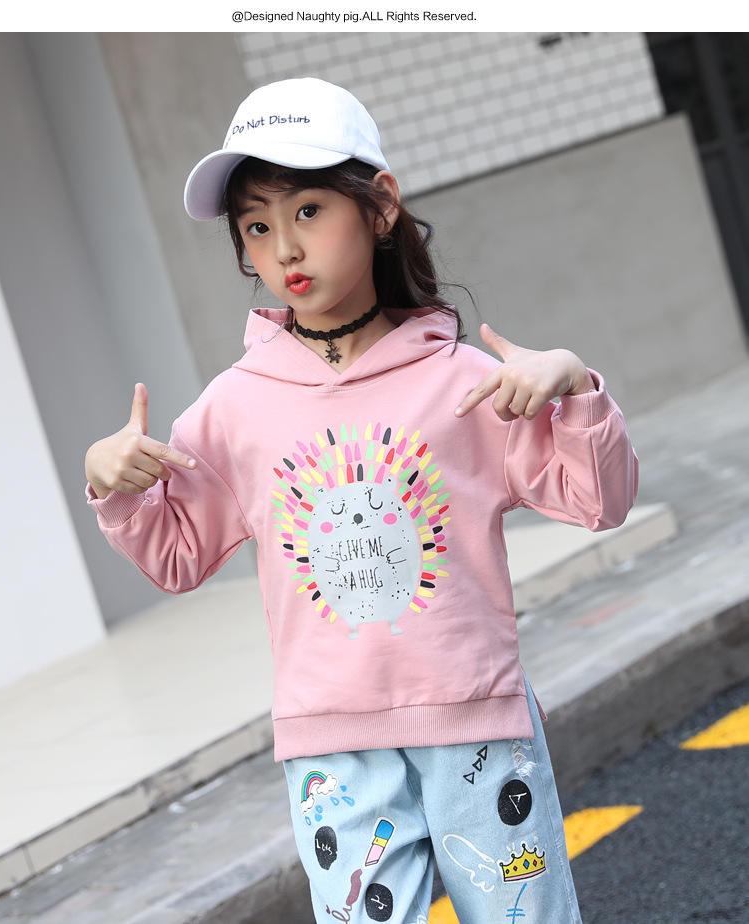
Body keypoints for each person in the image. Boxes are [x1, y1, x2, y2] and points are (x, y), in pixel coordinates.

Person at [85, 77, 638, 923]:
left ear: (380, 205)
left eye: (308, 211)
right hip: (332, 747)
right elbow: (177, 555)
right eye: (256, 227)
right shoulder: (235, 408)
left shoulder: (462, 382)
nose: (284, 249)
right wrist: (108, 479)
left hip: (475, 724)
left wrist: (577, 391)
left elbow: (600, 501)